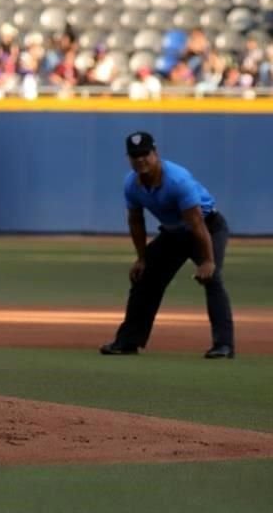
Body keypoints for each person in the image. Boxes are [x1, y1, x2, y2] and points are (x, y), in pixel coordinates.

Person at [100, 131, 235, 359]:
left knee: (212, 278)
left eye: (145, 153)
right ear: (128, 158)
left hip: (207, 227)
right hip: (174, 234)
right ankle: (128, 342)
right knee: (144, 277)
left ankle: (224, 345)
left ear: (155, 153)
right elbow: (136, 220)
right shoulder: (132, 184)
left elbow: (196, 223)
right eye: (135, 155)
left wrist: (208, 260)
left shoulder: (177, 181)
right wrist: (142, 258)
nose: (140, 159)